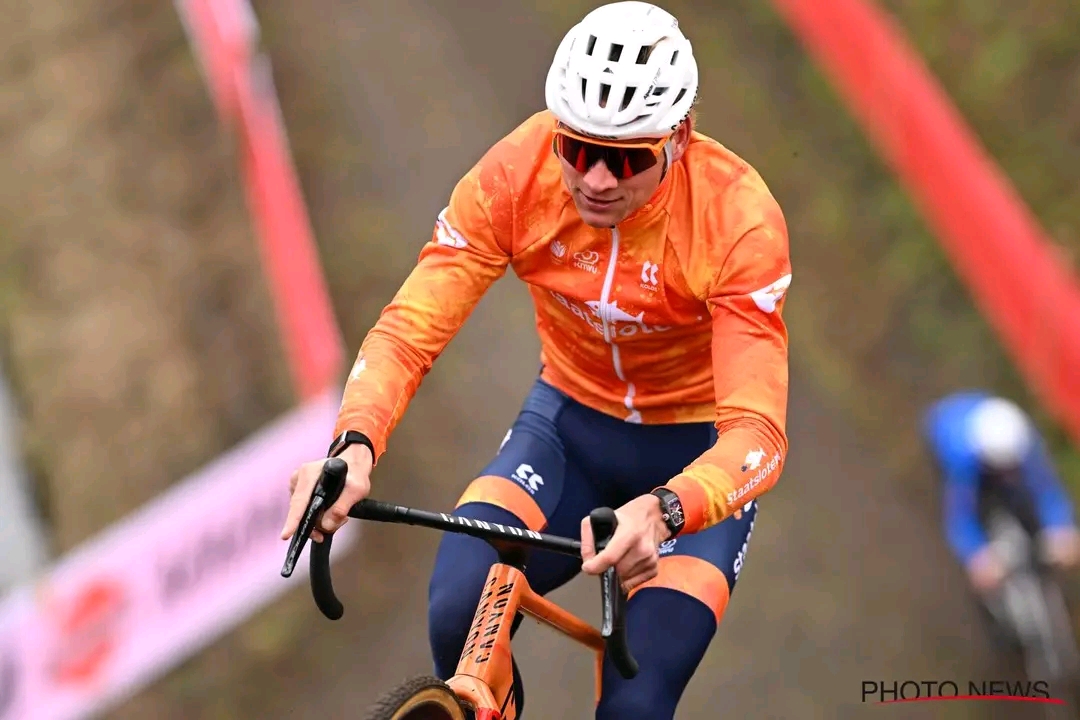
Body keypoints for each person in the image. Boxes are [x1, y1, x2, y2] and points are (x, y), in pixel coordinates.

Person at [282, 2, 792, 717]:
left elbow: (757, 437)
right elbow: (409, 329)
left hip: (693, 460)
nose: (597, 180)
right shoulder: (516, 176)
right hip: (568, 433)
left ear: (679, 137)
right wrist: (354, 442)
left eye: (626, 159)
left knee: (636, 704)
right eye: (577, 150)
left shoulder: (736, 219)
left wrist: (670, 510)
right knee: (459, 607)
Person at [922, 392, 1080, 599]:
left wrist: (1060, 526)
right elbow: (959, 514)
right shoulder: (960, 459)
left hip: (983, 420)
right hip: (945, 432)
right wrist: (975, 554)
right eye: (1003, 470)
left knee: (1021, 499)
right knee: (976, 503)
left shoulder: (1024, 441)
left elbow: (1046, 486)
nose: (1008, 475)